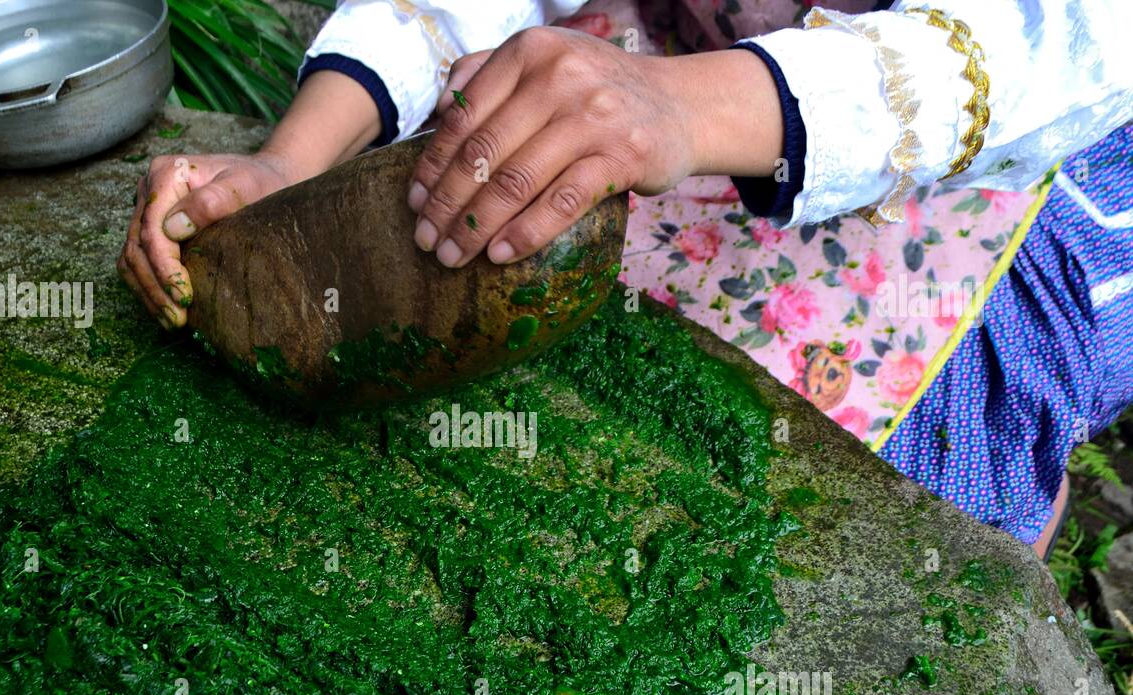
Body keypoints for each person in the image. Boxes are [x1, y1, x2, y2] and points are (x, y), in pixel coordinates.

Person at [118, 0, 1133, 559]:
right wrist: (293, 165)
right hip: (671, 46)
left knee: (883, 518)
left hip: (979, 124)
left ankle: (1016, 581)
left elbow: (1078, 39)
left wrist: (684, 109)